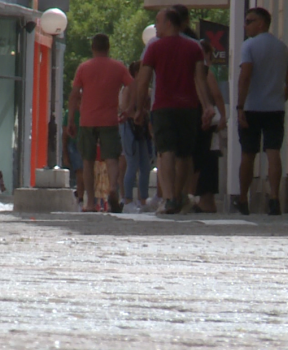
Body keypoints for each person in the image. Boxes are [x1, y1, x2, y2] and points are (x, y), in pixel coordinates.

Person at [135, 7, 214, 214]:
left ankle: (169, 197)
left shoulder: (154, 48)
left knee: (166, 151)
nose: (156, 27)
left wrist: (138, 108)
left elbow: (143, 81)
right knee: (185, 154)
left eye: (158, 22)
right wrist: (206, 107)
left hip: (163, 107)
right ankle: (178, 196)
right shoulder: (194, 47)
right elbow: (200, 80)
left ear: (169, 23)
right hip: (188, 108)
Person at [235, 7, 288, 215]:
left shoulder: (249, 46)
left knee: (248, 154)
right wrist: (281, 97)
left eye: (249, 21)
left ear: (261, 23)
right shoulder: (282, 47)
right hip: (275, 108)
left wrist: (240, 106)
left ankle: (243, 199)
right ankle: (275, 198)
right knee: (273, 152)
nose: (246, 25)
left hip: (252, 107)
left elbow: (245, 76)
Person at [67, 33, 134, 213]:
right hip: (110, 119)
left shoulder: (83, 68)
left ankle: (90, 203)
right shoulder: (118, 67)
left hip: (87, 119)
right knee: (112, 158)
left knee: (87, 161)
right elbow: (133, 86)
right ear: (108, 47)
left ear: (93, 48)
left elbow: (74, 94)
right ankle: (113, 188)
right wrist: (130, 109)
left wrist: (71, 119)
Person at [192, 40, 228, 213]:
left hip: (204, 118)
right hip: (207, 118)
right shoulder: (206, 70)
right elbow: (217, 96)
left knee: (204, 159)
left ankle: (205, 200)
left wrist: (222, 115)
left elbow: (216, 95)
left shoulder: (205, 71)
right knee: (208, 158)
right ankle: (206, 200)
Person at [119, 61, 152, 213]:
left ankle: (143, 199)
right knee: (132, 163)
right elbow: (123, 109)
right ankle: (127, 199)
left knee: (145, 165)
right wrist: (135, 116)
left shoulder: (145, 90)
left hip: (142, 129)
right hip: (129, 127)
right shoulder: (128, 89)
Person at [62, 111, 84, 207]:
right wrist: (65, 154)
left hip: (86, 143)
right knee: (80, 172)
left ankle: (80, 195)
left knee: (84, 172)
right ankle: (80, 197)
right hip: (75, 145)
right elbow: (65, 135)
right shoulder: (69, 114)